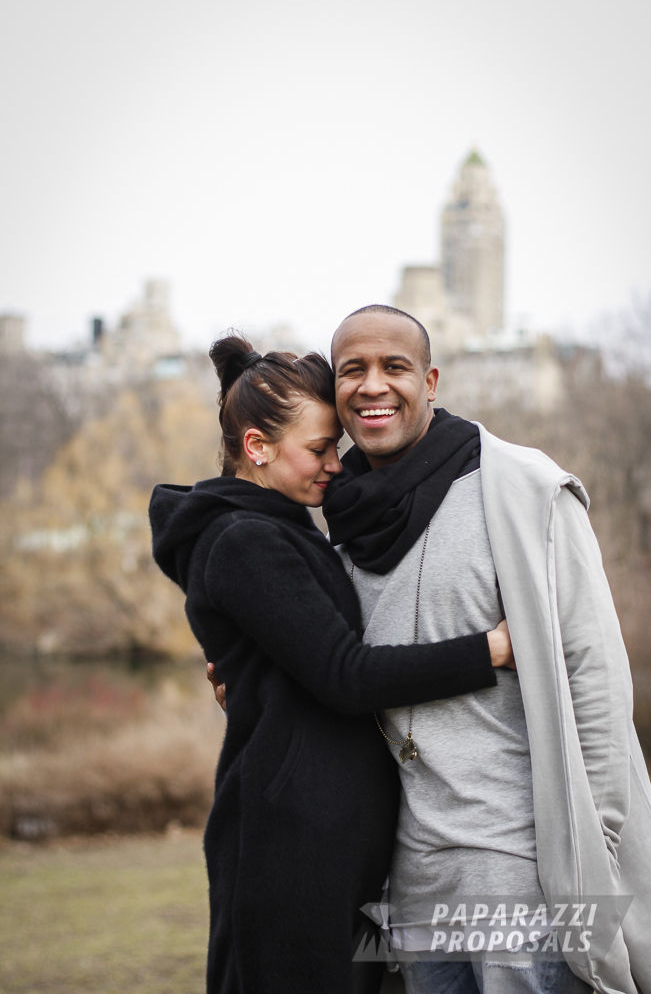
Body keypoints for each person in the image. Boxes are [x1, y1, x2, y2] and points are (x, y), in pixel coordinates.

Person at [148, 334, 515, 994]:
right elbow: (346, 674)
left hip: (328, 835)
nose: (334, 466)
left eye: (334, 448)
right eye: (318, 449)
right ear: (257, 447)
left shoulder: (279, 527)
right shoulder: (244, 539)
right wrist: (487, 649)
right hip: (293, 843)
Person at [318, 303, 651, 994]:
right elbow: (343, 674)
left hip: (524, 865)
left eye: (394, 367)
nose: (372, 385)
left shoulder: (523, 490)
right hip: (413, 873)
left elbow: (593, 674)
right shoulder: (341, 518)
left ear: (431, 380)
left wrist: (590, 845)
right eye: (351, 370)